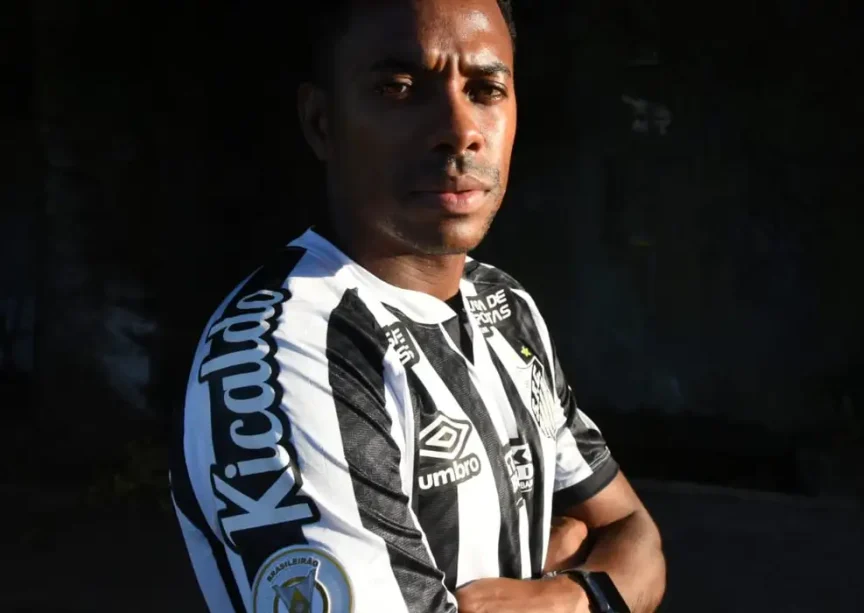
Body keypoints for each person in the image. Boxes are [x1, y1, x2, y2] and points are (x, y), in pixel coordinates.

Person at [169, 0, 666, 611]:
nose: (460, 130)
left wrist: (569, 599)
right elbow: (625, 565)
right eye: (399, 89)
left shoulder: (505, 305)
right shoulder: (286, 350)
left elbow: (636, 535)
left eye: (485, 90)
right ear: (322, 123)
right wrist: (588, 567)